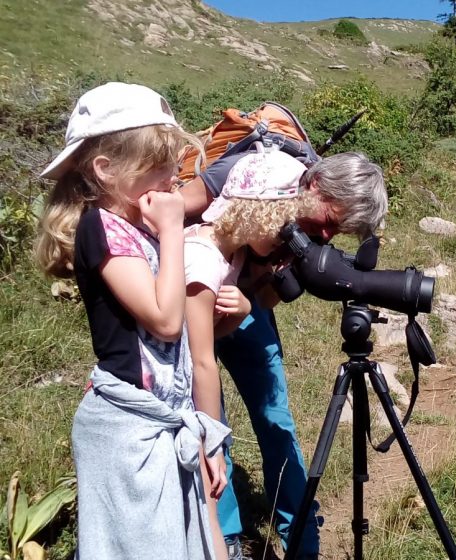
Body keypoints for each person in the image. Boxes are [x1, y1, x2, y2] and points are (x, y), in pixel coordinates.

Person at [35, 82, 231, 560]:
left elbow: (179, 340)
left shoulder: (135, 229)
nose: (172, 178)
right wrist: (172, 231)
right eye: (158, 166)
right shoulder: (101, 226)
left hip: (167, 419)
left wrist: (207, 434)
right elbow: (165, 321)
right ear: (106, 170)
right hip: (128, 432)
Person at [180, 147, 388, 559]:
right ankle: (226, 539)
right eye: (329, 221)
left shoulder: (311, 228)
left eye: (338, 231)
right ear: (315, 185)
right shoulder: (256, 178)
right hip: (197, 287)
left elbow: (273, 296)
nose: (326, 236)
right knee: (209, 420)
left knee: (276, 422)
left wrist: (256, 290)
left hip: (243, 304)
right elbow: (171, 214)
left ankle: (301, 540)